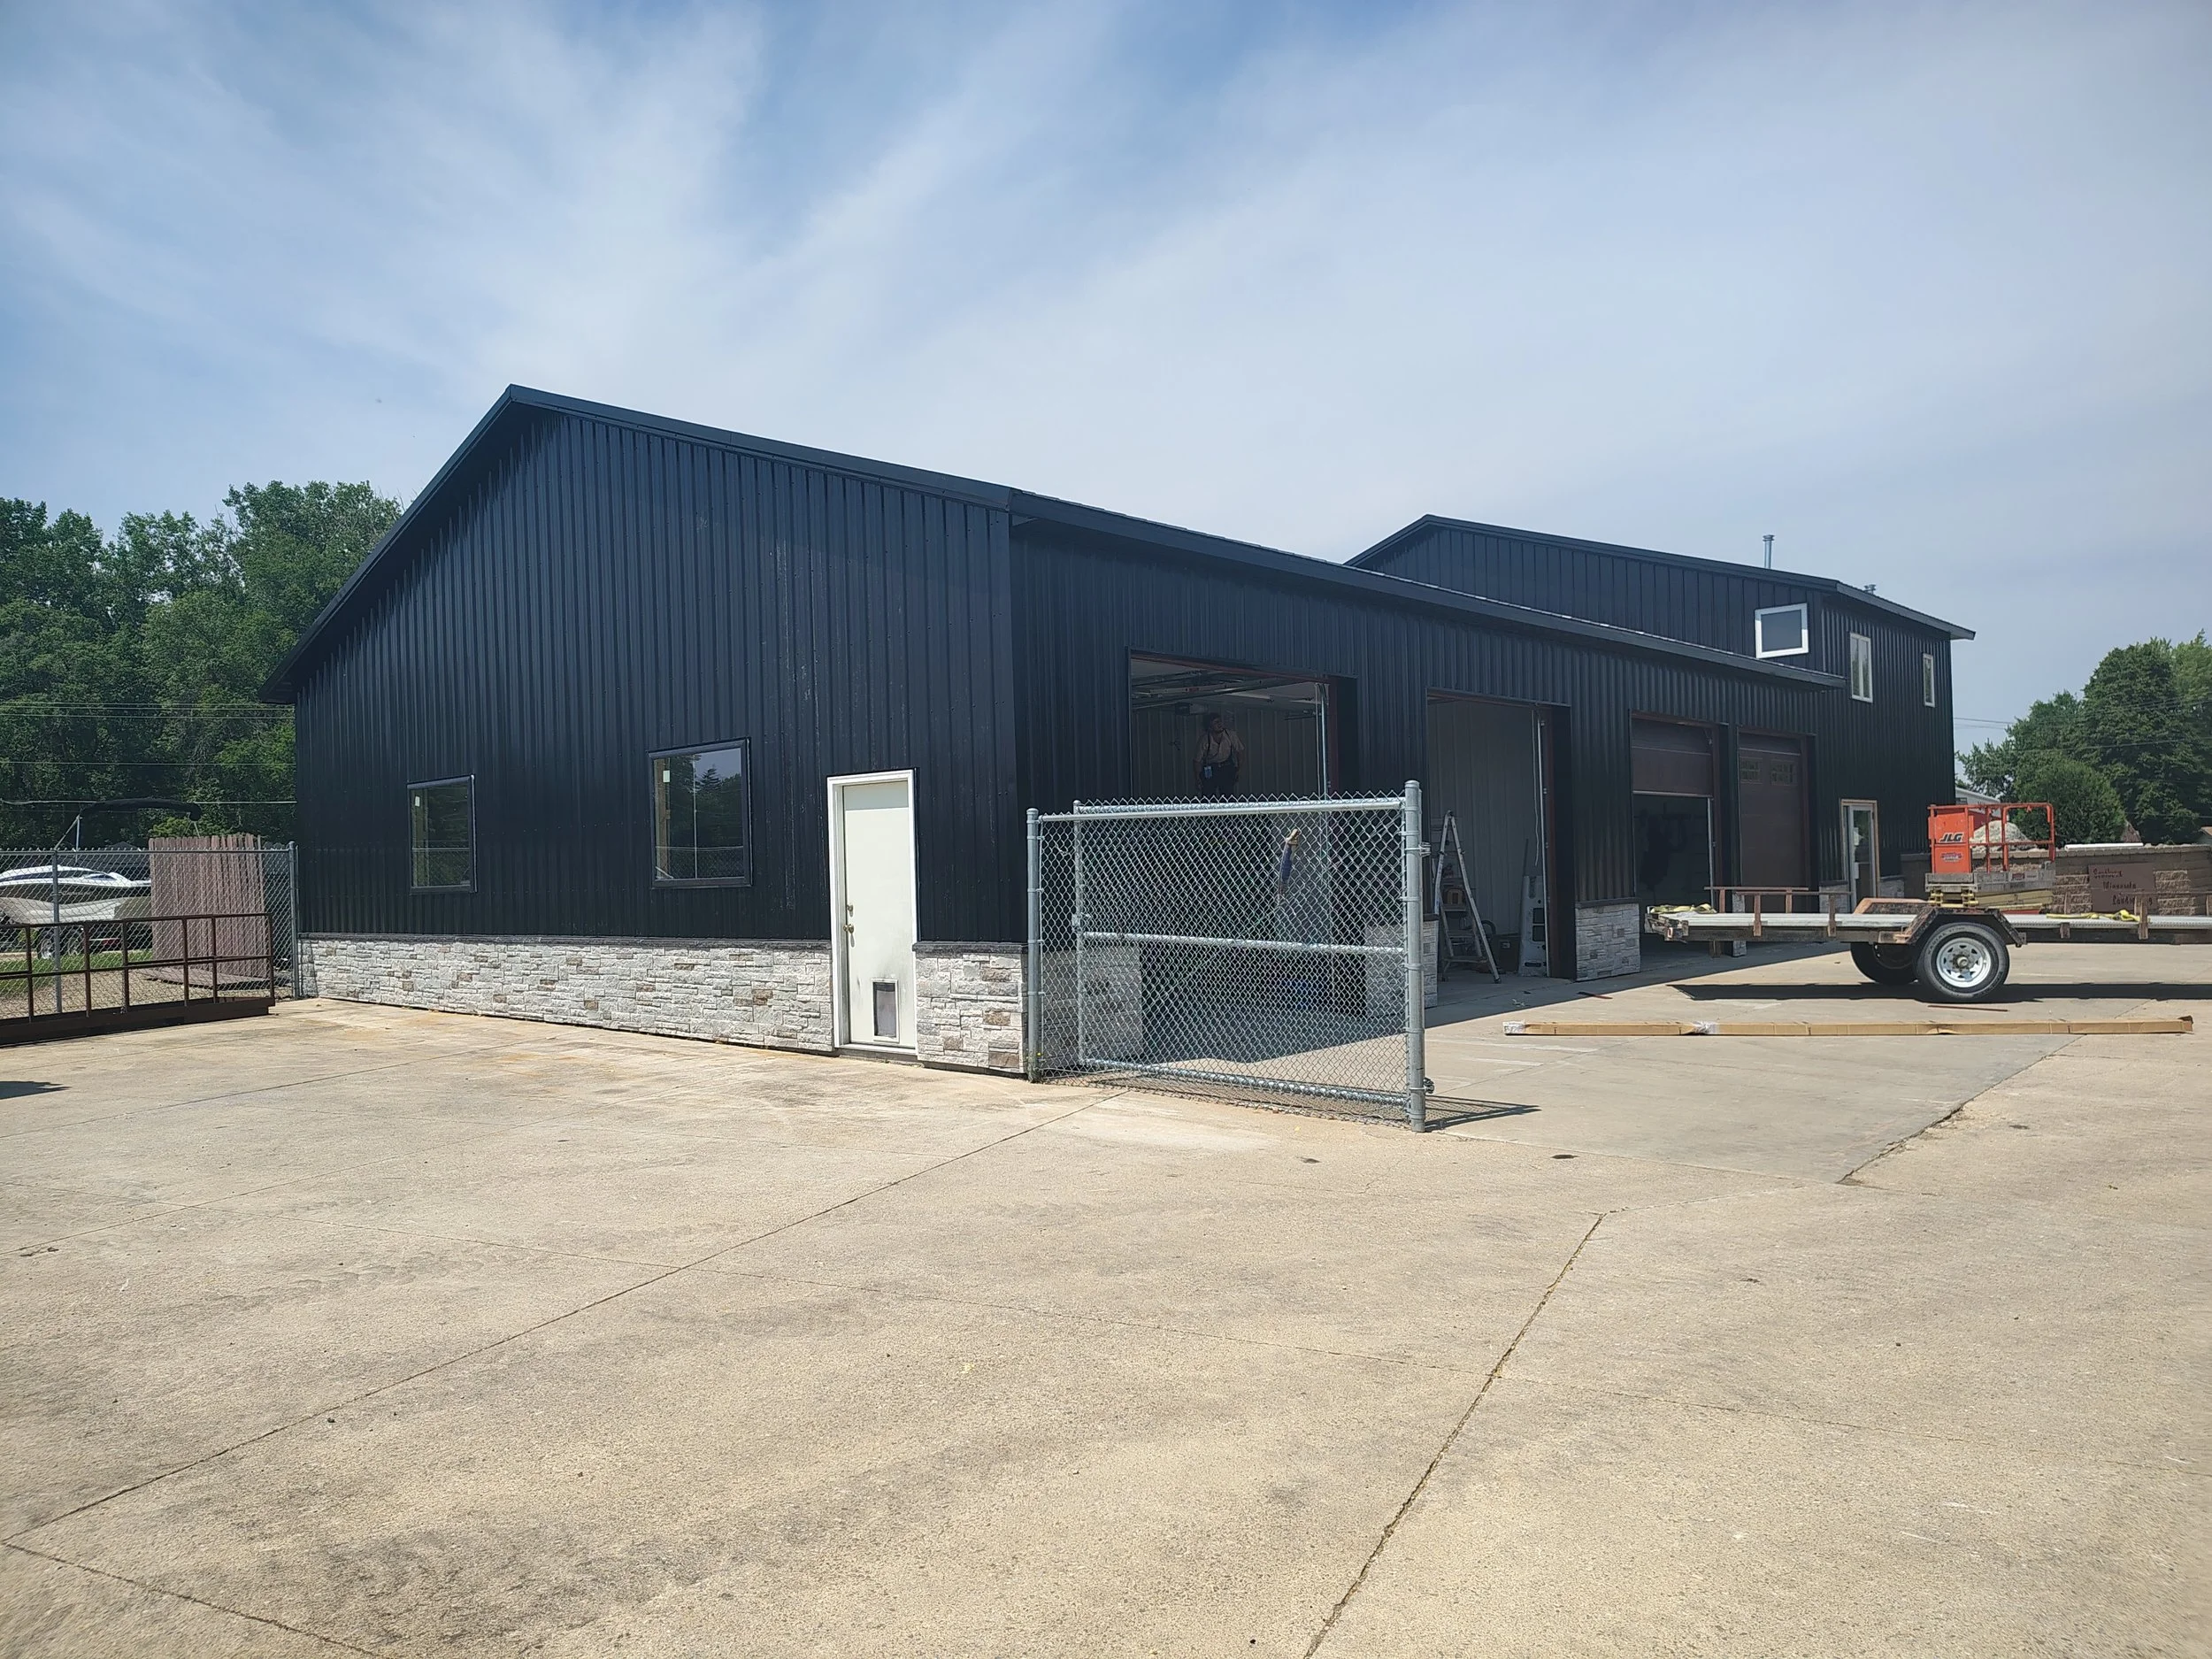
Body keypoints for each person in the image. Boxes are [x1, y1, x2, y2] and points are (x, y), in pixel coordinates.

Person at [1195, 712, 1245, 795]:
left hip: (1227, 767)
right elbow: (1197, 760)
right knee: (1208, 795)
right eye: (1216, 722)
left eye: (1220, 721)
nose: (1220, 724)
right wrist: (1197, 777)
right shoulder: (1204, 739)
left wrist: (1239, 769)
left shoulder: (1230, 735)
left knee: (1228, 795)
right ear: (1210, 727)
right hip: (1211, 768)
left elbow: (1240, 751)